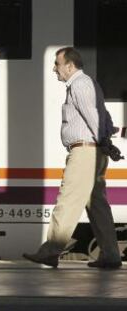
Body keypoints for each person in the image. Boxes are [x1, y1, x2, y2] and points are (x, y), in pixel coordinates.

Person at [23, 47, 122, 269]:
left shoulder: (80, 84)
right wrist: (106, 142)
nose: (54, 69)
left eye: (57, 64)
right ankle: (111, 254)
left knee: (67, 201)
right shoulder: (88, 84)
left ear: (70, 65)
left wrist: (104, 142)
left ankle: (50, 251)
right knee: (97, 205)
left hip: (85, 152)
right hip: (93, 151)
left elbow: (94, 117)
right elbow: (103, 116)